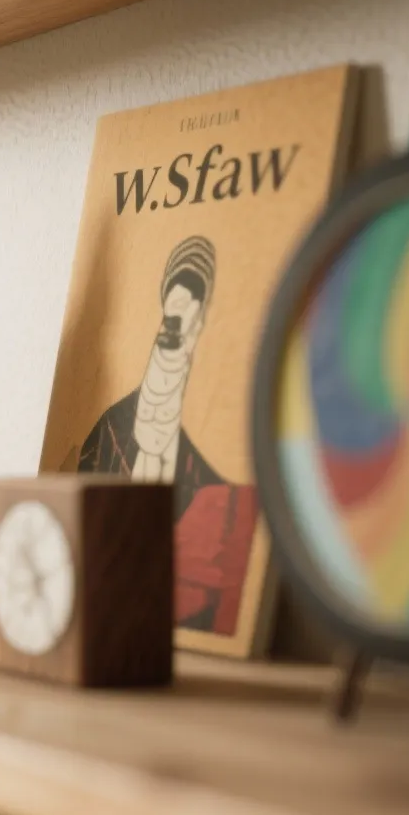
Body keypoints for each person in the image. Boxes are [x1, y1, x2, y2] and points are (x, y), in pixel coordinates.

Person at [77, 235, 256, 635]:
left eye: (190, 319)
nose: (175, 334)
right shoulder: (107, 435)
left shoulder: (216, 490)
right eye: (170, 320)